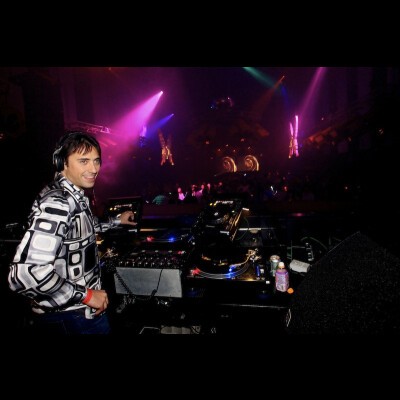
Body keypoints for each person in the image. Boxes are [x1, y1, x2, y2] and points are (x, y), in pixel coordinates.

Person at [8, 131, 137, 335]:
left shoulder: (71, 195)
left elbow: (84, 225)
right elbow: (26, 275)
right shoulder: (58, 203)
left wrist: (116, 221)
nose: (94, 169)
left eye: (96, 161)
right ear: (62, 163)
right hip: (72, 317)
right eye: (84, 161)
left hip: (75, 315)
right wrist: (86, 295)